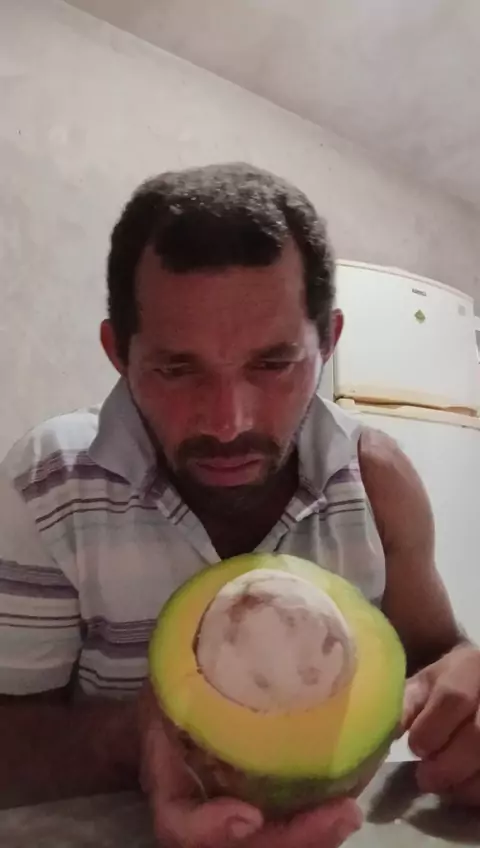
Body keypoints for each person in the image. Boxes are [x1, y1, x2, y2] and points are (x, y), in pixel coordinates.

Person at [1, 162, 480, 847]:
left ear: (328, 342)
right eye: (176, 368)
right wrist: (141, 739)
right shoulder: (49, 484)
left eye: (273, 364)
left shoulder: (379, 481)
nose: (228, 422)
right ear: (118, 354)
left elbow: (440, 656)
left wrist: (466, 702)